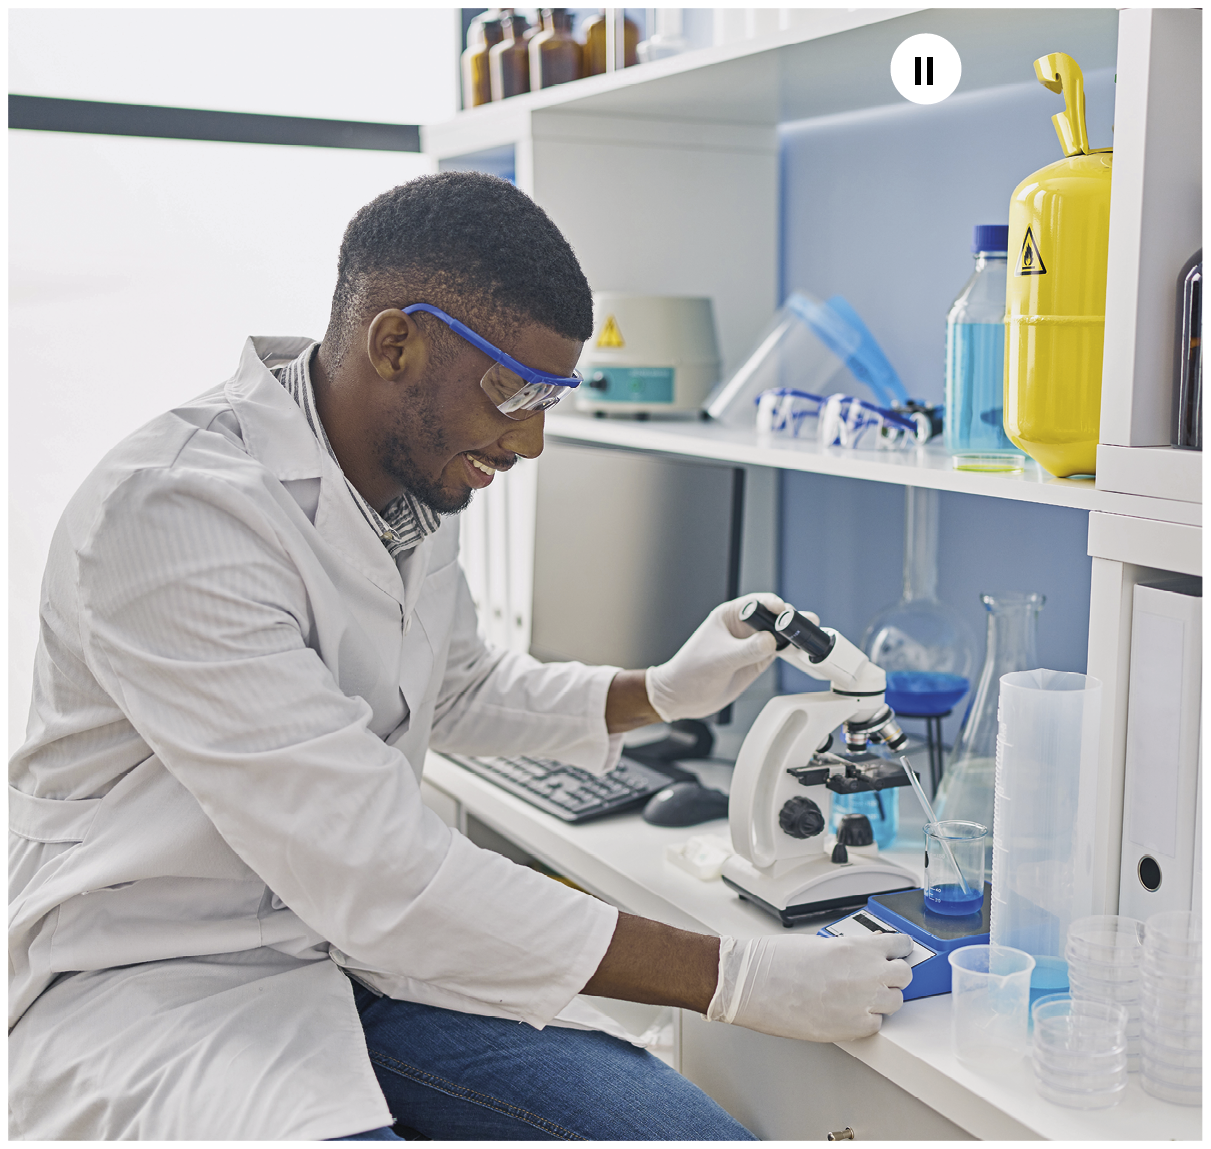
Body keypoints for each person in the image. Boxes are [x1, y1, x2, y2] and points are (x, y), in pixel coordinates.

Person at [8, 172, 912, 1141]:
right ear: (395, 341)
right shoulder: (175, 514)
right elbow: (380, 871)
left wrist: (657, 691)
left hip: (359, 964)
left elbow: (457, 685)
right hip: (162, 986)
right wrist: (731, 976)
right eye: (511, 391)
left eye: (552, 397)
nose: (528, 439)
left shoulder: (407, 489)